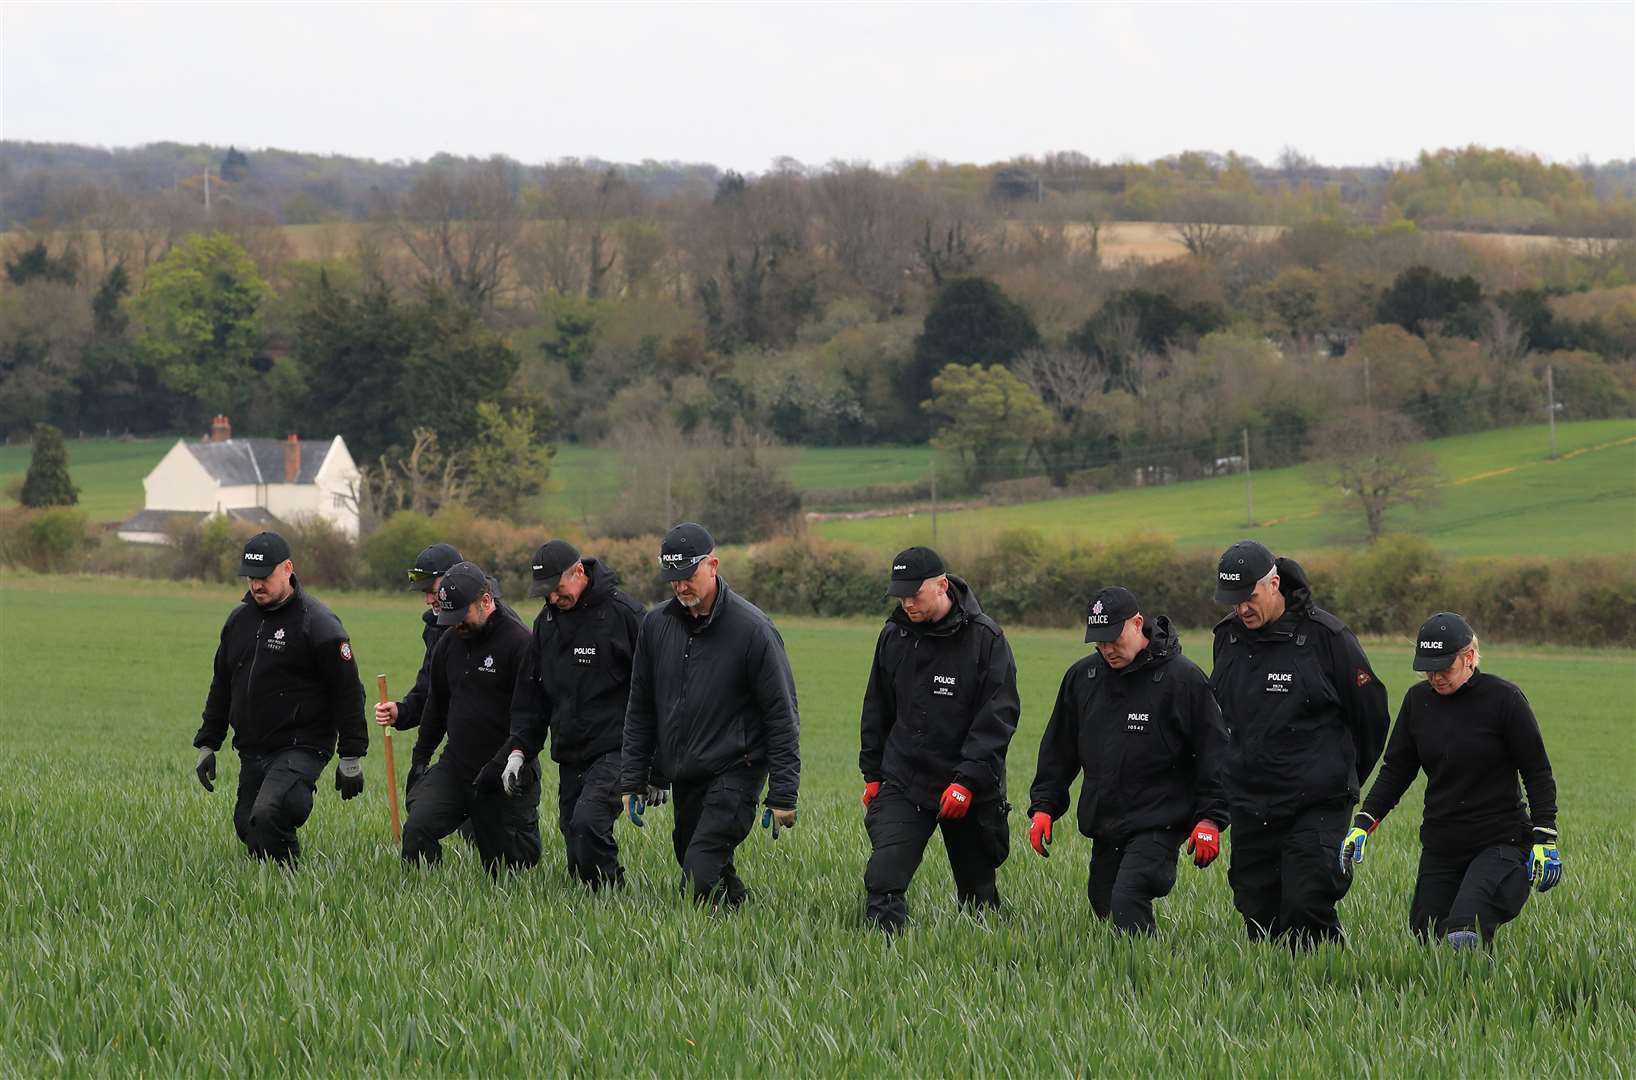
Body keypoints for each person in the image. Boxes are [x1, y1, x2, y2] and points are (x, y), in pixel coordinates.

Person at [1341, 612, 1561, 949]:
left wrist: (1544, 837)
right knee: (1427, 937)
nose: (1435, 677)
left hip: (1500, 841)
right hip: (1443, 843)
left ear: (1469, 657)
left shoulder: (1504, 700)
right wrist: (1363, 822)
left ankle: (1480, 1000)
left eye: (1444, 667)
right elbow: (1397, 770)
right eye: (1428, 668)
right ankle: (1445, 1000)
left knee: (1463, 931)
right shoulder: (1418, 701)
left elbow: (1537, 771)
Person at [1209, 539, 1389, 948]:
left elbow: (1372, 715)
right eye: (1232, 601)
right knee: (1256, 909)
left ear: (1274, 583)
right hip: (1251, 798)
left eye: (1249, 598)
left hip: (1317, 798)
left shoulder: (1327, 637)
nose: (1241, 609)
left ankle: (1329, 989)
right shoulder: (1227, 639)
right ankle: (1276, 998)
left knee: (1308, 899)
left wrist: (1343, 773)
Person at [1026, 586, 1229, 935]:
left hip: (1160, 820)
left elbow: (1214, 753)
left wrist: (1211, 819)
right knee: (1103, 902)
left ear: (1137, 624)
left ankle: (1146, 980)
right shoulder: (1082, 678)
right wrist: (1044, 806)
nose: (1107, 649)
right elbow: (1059, 748)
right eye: (1099, 641)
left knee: (1128, 898)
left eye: (1114, 639)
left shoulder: (1183, 680)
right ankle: (1125, 975)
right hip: (1106, 819)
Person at [619, 522, 801, 909]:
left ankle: (719, 927)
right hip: (688, 773)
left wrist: (783, 792)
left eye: (688, 576)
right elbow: (641, 709)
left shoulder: (753, 630)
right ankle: (739, 917)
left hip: (738, 768)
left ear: (713, 565)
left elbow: (781, 714)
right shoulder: (656, 626)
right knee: (694, 860)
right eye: (673, 579)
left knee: (699, 869)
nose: (680, 586)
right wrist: (634, 778)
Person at [859, 546, 1019, 933]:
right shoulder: (893, 635)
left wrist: (966, 782)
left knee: (978, 891)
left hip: (968, 785)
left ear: (942, 586)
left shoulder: (986, 639)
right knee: (883, 879)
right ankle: (884, 958)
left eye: (915, 594)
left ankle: (983, 958)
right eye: (901, 595)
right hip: (905, 778)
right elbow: (877, 707)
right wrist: (873, 773)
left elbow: (997, 718)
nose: (907, 602)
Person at [192, 531, 367, 865]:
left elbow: (349, 691)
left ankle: (291, 882)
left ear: (287, 568)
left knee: (270, 813)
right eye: (251, 577)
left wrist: (352, 755)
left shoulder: (318, 624)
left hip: (302, 743)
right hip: (254, 746)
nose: (257, 585)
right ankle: (271, 894)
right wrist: (208, 742)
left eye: (265, 577)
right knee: (247, 825)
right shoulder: (239, 621)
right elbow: (222, 685)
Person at [497, 539, 655, 890]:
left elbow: (661, 688)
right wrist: (519, 749)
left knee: (588, 823)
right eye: (546, 593)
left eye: (557, 588)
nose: (553, 598)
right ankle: (593, 904)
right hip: (571, 751)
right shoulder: (546, 624)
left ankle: (614, 900)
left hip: (618, 749)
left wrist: (659, 761)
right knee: (574, 837)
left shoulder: (625, 615)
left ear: (579, 572)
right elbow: (531, 695)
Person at [387, 561, 540, 874]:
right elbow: (436, 707)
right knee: (418, 829)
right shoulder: (449, 642)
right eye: (449, 618)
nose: (456, 625)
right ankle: (423, 899)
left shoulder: (520, 644)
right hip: (456, 767)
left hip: (506, 769)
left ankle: (522, 840)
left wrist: (499, 766)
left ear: (485, 602)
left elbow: (531, 718)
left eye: (461, 617)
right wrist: (420, 760)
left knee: (506, 869)